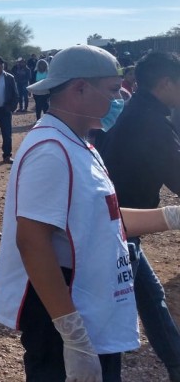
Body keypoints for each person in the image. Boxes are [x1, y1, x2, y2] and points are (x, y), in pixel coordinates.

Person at [0, 44, 180, 381]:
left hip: (87, 305)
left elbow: (101, 217)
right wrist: (73, 335)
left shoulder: (79, 143)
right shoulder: (50, 150)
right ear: (79, 88)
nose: (120, 97)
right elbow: (33, 241)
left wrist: (170, 216)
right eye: (112, 90)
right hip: (64, 314)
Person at [99, 52, 180, 382]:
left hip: (120, 225)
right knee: (112, 318)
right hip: (121, 228)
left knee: (150, 295)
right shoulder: (152, 123)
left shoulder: (138, 110)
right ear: (164, 83)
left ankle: (176, 361)